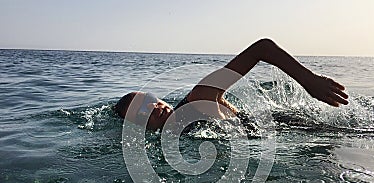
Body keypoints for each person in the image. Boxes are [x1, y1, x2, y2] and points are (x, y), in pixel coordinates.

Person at [115, 38, 348, 132]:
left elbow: (263, 48)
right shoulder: (176, 137)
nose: (152, 107)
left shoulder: (199, 99)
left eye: (149, 100)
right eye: (141, 111)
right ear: (139, 127)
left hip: (295, 125)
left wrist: (310, 81)